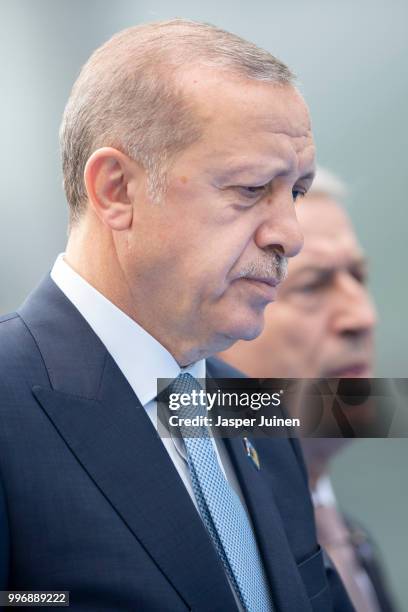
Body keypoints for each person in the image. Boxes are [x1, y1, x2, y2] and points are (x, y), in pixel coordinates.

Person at [0, 20, 353, 611]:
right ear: (116, 190)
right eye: (249, 188)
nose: (289, 236)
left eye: (294, 192)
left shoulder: (256, 408)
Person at [220, 168, 396, 611]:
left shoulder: (353, 543)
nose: (361, 317)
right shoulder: (198, 551)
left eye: (358, 277)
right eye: (315, 285)